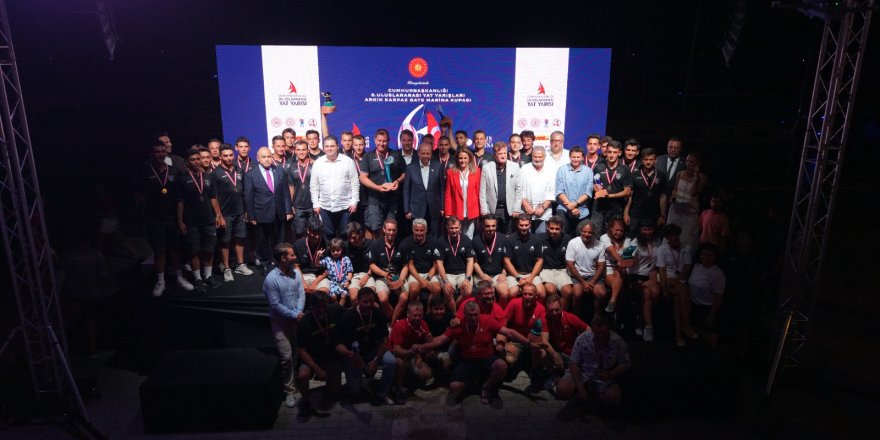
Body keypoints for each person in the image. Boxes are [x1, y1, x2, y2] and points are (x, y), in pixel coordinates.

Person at [420, 300, 533, 405]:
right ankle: (473, 384)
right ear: (465, 314)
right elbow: (439, 340)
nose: (473, 318)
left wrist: (529, 343)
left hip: (486, 358)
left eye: (476, 314)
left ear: (479, 313)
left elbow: (509, 333)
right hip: (467, 361)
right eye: (470, 315)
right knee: (454, 387)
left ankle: (486, 386)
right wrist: (421, 347)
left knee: (502, 366)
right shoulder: (458, 326)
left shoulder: (487, 321)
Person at [142, 141, 193, 295]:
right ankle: (160, 281)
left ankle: (180, 277)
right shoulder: (145, 172)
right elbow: (140, 197)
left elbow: (180, 199)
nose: (160, 154)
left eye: (163, 151)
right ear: (151, 154)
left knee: (176, 249)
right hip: (154, 219)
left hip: (173, 219)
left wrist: (180, 220)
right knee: (159, 251)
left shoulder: (174, 171)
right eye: (157, 151)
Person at [334, 288, 397, 405]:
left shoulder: (378, 313)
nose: (368, 305)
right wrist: (350, 355)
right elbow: (337, 344)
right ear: (357, 301)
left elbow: (385, 339)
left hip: (373, 352)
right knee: (354, 392)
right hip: (353, 355)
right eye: (365, 302)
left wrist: (376, 360)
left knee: (391, 361)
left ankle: (382, 392)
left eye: (371, 301)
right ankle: (363, 383)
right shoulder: (348, 316)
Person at [263, 242, 306, 409]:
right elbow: (275, 305)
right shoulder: (271, 279)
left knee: (295, 354)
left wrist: (299, 311)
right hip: (280, 324)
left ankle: (296, 384)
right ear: (283, 258)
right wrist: (294, 314)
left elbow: (301, 293)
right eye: (292, 255)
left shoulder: (296, 273)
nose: (295, 257)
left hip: (295, 322)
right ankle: (289, 391)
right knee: (286, 357)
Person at [554, 316, 630, 406]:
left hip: (603, 376)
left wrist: (611, 373)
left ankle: (592, 398)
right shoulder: (583, 339)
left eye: (604, 333)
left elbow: (626, 364)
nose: (601, 336)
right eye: (598, 333)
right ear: (592, 331)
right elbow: (574, 363)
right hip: (582, 372)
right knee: (562, 390)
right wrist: (580, 386)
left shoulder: (618, 342)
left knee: (615, 397)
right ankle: (580, 394)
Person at [177, 148, 223, 291]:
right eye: (193, 160)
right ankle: (198, 279)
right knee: (194, 251)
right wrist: (180, 221)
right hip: (191, 221)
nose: (196, 162)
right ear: (187, 162)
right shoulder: (182, 179)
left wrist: (218, 215)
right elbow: (180, 202)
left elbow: (213, 197)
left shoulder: (208, 177)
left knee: (209, 249)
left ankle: (208, 276)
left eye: (198, 159)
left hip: (208, 220)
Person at [244, 146, 293, 275]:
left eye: (268, 156)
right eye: (263, 157)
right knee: (263, 242)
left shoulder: (280, 171)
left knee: (280, 241)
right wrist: (251, 216)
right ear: (258, 158)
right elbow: (248, 197)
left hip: (279, 213)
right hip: (261, 213)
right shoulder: (251, 175)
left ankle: (280, 263)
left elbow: (286, 192)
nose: (266, 159)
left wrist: (288, 210)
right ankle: (265, 264)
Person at [294, 290, 341, 422]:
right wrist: (317, 369)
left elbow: (351, 312)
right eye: (318, 307)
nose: (321, 310)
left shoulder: (334, 311)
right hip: (311, 359)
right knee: (303, 375)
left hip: (330, 357)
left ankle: (328, 388)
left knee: (335, 392)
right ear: (311, 307)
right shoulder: (304, 322)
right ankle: (306, 403)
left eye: (324, 306)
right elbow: (301, 351)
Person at [213, 144, 253, 281]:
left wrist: (246, 211)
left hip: (239, 212)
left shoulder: (238, 170)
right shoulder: (216, 173)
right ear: (220, 156)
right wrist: (219, 216)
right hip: (225, 214)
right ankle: (226, 268)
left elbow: (244, 192)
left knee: (240, 238)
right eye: (225, 156)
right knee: (225, 241)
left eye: (231, 155)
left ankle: (240, 264)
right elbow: (213, 197)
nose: (229, 158)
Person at [359, 129, 406, 240]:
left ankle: (390, 250)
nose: (382, 143)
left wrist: (397, 181)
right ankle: (379, 249)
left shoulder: (396, 155)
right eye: (379, 141)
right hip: (375, 200)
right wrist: (378, 187)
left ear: (388, 141)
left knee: (391, 228)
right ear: (375, 140)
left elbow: (404, 173)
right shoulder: (368, 156)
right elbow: (363, 177)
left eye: (384, 141)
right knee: (376, 228)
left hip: (392, 199)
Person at [310, 135, 360, 239]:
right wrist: (316, 203)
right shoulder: (318, 163)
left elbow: (355, 183)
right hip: (324, 206)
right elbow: (314, 185)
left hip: (345, 206)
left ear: (337, 146)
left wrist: (354, 201)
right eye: (327, 146)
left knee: (345, 234)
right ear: (323, 147)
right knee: (328, 235)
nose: (329, 149)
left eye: (332, 146)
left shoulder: (348, 162)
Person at [396, 218, 443, 322]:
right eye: (417, 230)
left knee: (436, 288)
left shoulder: (434, 242)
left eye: (421, 230)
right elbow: (410, 265)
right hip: (415, 273)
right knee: (413, 289)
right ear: (413, 230)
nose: (419, 233)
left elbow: (436, 264)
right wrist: (420, 280)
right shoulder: (407, 242)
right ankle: (416, 312)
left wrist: (427, 278)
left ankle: (428, 314)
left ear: (426, 230)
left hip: (430, 273)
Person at [656, 224, 695, 346]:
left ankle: (678, 334)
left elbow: (687, 268)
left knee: (678, 299)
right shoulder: (662, 249)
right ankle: (686, 325)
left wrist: (679, 279)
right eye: (671, 236)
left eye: (676, 235)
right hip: (667, 279)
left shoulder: (686, 247)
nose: (674, 238)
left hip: (680, 279)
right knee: (683, 291)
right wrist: (664, 290)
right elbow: (662, 271)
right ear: (667, 238)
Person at [389, 301, 434, 403]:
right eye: (414, 315)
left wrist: (429, 340)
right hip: (398, 354)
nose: (417, 318)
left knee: (427, 372)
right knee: (401, 363)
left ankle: (411, 382)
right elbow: (396, 349)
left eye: (420, 315)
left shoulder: (423, 324)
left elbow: (427, 343)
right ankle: (399, 389)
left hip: (412, 353)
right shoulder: (400, 325)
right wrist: (412, 353)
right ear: (408, 314)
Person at [472, 214, 517, 308]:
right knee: (486, 294)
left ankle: (499, 314)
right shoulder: (476, 240)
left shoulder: (503, 239)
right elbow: (474, 262)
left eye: (493, 226)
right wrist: (482, 275)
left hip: (498, 274)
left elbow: (507, 260)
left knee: (504, 294)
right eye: (487, 226)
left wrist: (504, 273)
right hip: (481, 274)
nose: (491, 229)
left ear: (496, 226)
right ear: (483, 226)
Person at [628, 222, 663, 342]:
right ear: (640, 230)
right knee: (646, 293)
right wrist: (628, 259)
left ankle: (642, 317)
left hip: (650, 275)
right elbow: (627, 258)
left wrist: (656, 269)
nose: (647, 232)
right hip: (636, 275)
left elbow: (661, 257)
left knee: (656, 293)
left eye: (650, 229)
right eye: (645, 229)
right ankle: (648, 326)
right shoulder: (635, 242)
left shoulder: (658, 241)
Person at [366, 219, 408, 318]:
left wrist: (401, 280)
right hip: (382, 277)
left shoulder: (402, 244)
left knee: (404, 297)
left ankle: (393, 324)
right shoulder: (376, 244)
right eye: (389, 230)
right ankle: (393, 321)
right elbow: (372, 265)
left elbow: (406, 265)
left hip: (397, 276)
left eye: (394, 230)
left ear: (397, 230)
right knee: (383, 299)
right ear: (384, 229)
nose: (391, 233)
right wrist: (385, 274)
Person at [480, 141, 523, 234]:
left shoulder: (515, 166)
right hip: (492, 210)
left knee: (508, 236)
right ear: (495, 155)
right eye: (500, 154)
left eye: (504, 153)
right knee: (492, 235)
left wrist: (517, 208)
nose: (503, 156)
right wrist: (484, 210)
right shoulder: (486, 167)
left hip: (509, 210)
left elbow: (519, 190)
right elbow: (482, 191)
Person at [688, 243, 726, 348]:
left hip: (708, 308)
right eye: (704, 254)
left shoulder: (717, 273)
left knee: (710, 339)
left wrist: (711, 315)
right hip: (695, 306)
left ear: (715, 257)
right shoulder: (696, 266)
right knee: (695, 337)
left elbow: (718, 297)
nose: (706, 257)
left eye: (710, 255)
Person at [624, 147, 668, 238]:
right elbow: (630, 195)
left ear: (655, 160)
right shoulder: (634, 175)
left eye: (651, 159)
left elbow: (663, 196)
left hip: (654, 214)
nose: (648, 162)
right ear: (642, 160)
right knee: (633, 238)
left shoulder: (661, 176)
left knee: (653, 239)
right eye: (646, 159)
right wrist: (626, 213)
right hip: (636, 213)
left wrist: (662, 215)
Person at [565, 221, 606, 316]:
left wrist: (593, 282)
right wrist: (583, 282)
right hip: (577, 275)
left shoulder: (600, 245)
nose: (587, 234)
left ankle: (597, 318)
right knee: (577, 293)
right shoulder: (573, 243)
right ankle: (576, 319)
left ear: (594, 233)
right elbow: (570, 264)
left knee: (602, 293)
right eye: (584, 231)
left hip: (593, 276)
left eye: (590, 232)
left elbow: (601, 265)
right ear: (580, 231)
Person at [591, 140, 633, 234]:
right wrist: (594, 187)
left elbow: (627, 192)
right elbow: (592, 185)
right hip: (598, 208)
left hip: (616, 209)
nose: (612, 155)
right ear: (606, 152)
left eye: (615, 152)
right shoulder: (598, 167)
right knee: (595, 234)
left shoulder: (625, 169)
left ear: (619, 153)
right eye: (609, 152)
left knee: (613, 236)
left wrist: (609, 196)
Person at [404, 142, 445, 236]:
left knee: (434, 235)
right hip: (416, 209)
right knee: (418, 235)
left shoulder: (438, 166)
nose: (425, 156)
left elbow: (442, 189)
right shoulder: (410, 168)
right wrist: (407, 210)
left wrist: (442, 207)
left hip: (434, 209)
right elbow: (406, 190)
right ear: (418, 153)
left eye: (428, 153)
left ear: (431, 154)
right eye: (423, 153)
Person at [502, 282, 546, 370]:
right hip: (515, 341)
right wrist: (505, 344)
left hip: (532, 341)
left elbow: (543, 330)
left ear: (536, 296)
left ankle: (532, 373)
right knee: (509, 359)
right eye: (525, 294)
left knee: (542, 354)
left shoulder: (541, 309)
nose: (527, 297)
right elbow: (502, 325)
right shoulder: (514, 303)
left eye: (530, 294)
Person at [668, 151, 708, 246]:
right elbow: (675, 190)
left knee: (686, 237)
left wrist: (696, 177)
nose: (688, 164)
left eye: (691, 162)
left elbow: (693, 193)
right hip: (676, 208)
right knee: (672, 233)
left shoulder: (702, 177)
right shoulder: (680, 173)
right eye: (687, 161)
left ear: (698, 163)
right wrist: (673, 196)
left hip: (690, 210)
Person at [542, 294, 589, 373]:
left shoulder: (570, 318)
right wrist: (554, 354)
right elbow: (544, 341)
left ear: (561, 308)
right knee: (542, 352)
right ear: (547, 310)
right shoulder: (545, 317)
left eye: (557, 310)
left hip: (572, 354)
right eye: (551, 311)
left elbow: (589, 330)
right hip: (557, 351)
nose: (554, 313)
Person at [555, 146, 594, 237]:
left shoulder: (588, 171)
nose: (575, 159)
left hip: (582, 211)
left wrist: (575, 204)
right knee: (562, 236)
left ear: (582, 157)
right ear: (570, 157)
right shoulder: (562, 170)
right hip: (564, 209)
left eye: (578, 157)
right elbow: (559, 191)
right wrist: (570, 206)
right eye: (573, 157)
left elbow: (588, 192)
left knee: (580, 238)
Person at [598, 218, 635, 313]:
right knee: (619, 285)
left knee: (619, 274)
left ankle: (612, 301)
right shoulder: (604, 237)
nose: (619, 233)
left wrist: (622, 262)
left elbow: (626, 255)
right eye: (617, 230)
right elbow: (611, 250)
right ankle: (618, 313)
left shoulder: (627, 240)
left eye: (621, 231)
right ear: (611, 229)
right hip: (608, 268)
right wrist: (620, 260)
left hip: (621, 268)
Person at [435, 216, 475, 303]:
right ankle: (454, 311)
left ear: (460, 227)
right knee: (448, 293)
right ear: (447, 227)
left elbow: (470, 261)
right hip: (447, 274)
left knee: (467, 292)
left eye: (456, 228)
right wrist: (445, 281)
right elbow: (439, 263)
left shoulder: (466, 240)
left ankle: (456, 307)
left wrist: (467, 279)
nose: (454, 230)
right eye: (451, 228)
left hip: (463, 274)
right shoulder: (440, 241)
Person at [506, 214, 546, 300]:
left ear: (530, 224)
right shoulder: (510, 239)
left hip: (531, 274)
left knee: (541, 293)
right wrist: (518, 278)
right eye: (521, 225)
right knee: (513, 293)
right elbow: (506, 261)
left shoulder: (536, 240)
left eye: (526, 225)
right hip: (514, 274)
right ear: (517, 224)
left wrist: (531, 277)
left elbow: (539, 260)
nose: (524, 228)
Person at [444, 148, 481, 238]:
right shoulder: (450, 172)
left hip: (472, 211)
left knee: (469, 236)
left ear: (469, 159)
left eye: (465, 158)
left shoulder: (476, 171)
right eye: (460, 158)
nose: (463, 160)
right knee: (457, 236)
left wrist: (480, 211)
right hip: (456, 210)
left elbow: (478, 192)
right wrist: (448, 212)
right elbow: (448, 194)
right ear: (457, 159)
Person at [519, 146, 555, 233]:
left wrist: (543, 207)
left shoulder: (551, 170)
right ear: (532, 156)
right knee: (525, 237)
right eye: (535, 157)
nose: (537, 159)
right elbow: (519, 188)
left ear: (545, 157)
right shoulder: (524, 169)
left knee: (541, 237)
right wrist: (526, 205)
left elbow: (553, 191)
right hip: (526, 211)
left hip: (544, 212)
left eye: (540, 157)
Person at [293, 217, 331, 298]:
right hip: (303, 275)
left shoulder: (326, 244)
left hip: (320, 276)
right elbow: (296, 266)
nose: (316, 237)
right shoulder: (298, 244)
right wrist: (303, 283)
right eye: (314, 233)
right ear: (308, 230)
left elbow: (328, 268)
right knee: (297, 294)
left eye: (319, 234)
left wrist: (315, 282)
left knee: (323, 295)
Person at [539, 215, 573, 302]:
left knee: (568, 292)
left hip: (562, 270)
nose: (554, 231)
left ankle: (561, 310)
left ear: (561, 229)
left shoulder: (567, 239)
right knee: (551, 290)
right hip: (546, 270)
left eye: (557, 229)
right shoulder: (540, 238)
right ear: (547, 227)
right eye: (552, 228)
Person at [288, 139, 315, 239]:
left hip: (313, 205)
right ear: (295, 151)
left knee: (314, 233)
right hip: (298, 207)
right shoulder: (292, 167)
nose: (301, 152)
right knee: (300, 234)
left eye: (303, 149)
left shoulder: (315, 165)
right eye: (298, 150)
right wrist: (291, 205)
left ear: (308, 150)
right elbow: (291, 187)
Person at [344, 221, 374, 304]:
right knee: (354, 298)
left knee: (369, 298)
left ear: (360, 234)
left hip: (369, 274)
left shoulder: (371, 244)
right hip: (353, 276)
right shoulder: (346, 246)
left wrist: (367, 275)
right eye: (349, 238)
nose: (351, 240)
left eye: (354, 237)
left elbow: (376, 264)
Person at [319, 238, 353, 304]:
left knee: (343, 296)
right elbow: (317, 264)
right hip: (332, 282)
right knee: (333, 297)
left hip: (343, 282)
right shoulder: (328, 259)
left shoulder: (346, 259)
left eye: (338, 250)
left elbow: (350, 271)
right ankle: (336, 308)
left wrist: (348, 281)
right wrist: (318, 256)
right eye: (333, 251)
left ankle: (340, 309)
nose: (335, 253)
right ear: (330, 250)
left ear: (342, 249)